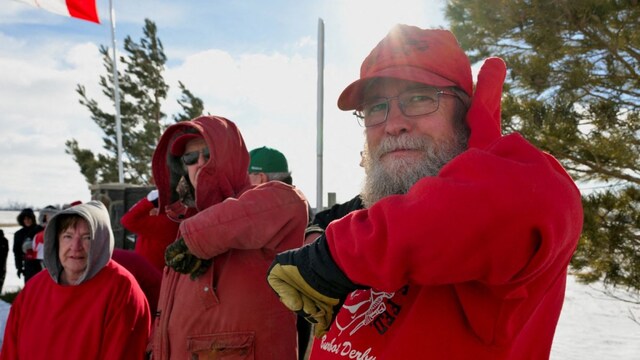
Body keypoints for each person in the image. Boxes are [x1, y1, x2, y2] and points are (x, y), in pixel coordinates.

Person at [267, 24, 584, 359]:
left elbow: (527, 203)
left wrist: (337, 255)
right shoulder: (374, 217)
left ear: (466, 113)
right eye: (376, 107)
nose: (393, 123)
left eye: (419, 98)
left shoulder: (524, 196)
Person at [150, 115, 309, 359]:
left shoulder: (268, 204)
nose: (199, 163)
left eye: (208, 154)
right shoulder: (188, 221)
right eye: (190, 158)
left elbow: (291, 203)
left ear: (230, 158)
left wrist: (195, 240)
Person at [0, 200, 151, 359]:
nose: (75, 246)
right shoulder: (34, 288)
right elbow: (10, 350)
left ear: (101, 241)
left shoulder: (122, 290)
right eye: (68, 236)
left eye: (87, 237)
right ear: (56, 240)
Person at [248, 145, 313, 360]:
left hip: (273, 318)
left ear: (260, 177)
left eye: (247, 176)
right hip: (298, 312)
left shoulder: (262, 212)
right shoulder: (300, 206)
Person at [120, 187, 180, 272]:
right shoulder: (169, 221)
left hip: (152, 276)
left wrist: (148, 202)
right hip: (153, 275)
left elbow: (127, 220)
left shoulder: (164, 223)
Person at [13, 208, 43, 283]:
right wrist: (19, 267)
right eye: (25, 219)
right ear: (22, 220)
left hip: (41, 262)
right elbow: (17, 252)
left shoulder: (40, 230)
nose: (27, 221)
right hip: (28, 264)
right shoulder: (18, 234)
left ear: (33, 219)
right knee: (30, 286)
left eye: (29, 218)